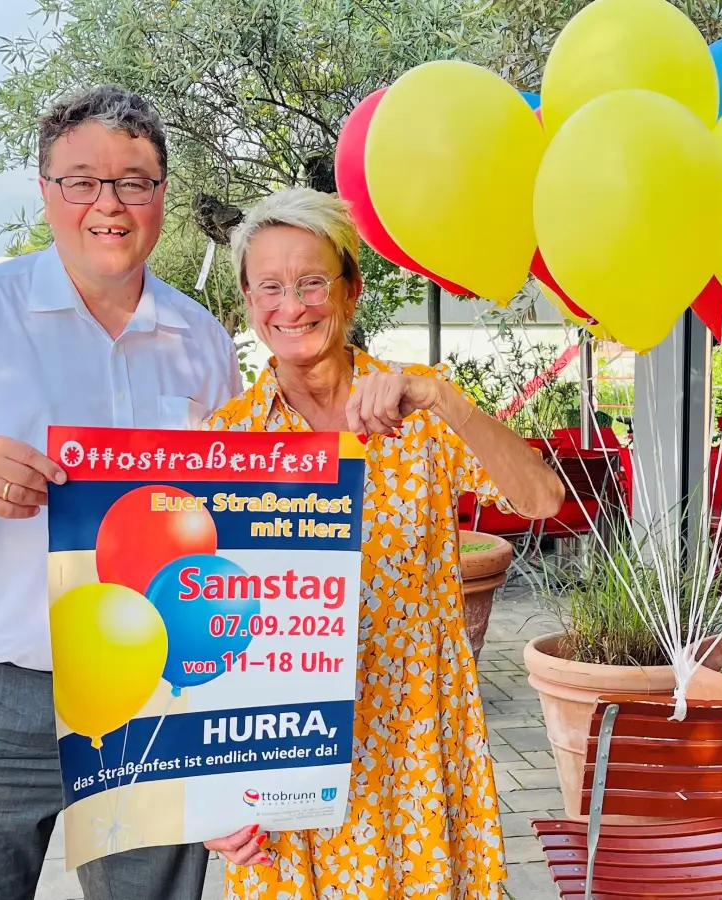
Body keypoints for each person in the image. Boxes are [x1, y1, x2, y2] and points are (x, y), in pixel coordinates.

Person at [0, 85, 242, 900]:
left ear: (162, 194)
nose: (109, 203)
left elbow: (229, 524)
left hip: (152, 700)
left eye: (134, 180)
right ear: (45, 193)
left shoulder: (202, 342)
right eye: (81, 180)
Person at [199, 187, 564, 900]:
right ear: (247, 301)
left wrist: (445, 400)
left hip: (416, 736)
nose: (292, 306)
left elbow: (542, 498)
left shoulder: (420, 409)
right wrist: (211, 800)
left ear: (351, 291)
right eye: (270, 286)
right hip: (286, 756)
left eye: (311, 283)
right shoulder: (227, 441)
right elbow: (198, 629)